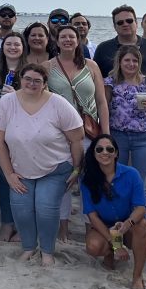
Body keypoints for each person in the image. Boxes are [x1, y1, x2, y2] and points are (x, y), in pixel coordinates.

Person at [0, 63, 84, 266]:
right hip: (20, 169)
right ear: (20, 79)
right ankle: (29, 247)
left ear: (44, 84)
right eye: (27, 79)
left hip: (55, 168)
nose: (31, 83)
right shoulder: (7, 102)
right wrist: (9, 175)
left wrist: (77, 169)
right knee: (21, 210)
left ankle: (47, 251)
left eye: (37, 80)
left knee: (45, 208)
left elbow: (77, 138)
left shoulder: (58, 103)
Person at [45, 24, 109, 239]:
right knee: (64, 181)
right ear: (56, 41)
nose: (68, 40)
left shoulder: (91, 66)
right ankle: (63, 228)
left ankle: (90, 227)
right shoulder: (48, 67)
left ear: (79, 40)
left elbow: (101, 101)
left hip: (89, 132)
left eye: (72, 36)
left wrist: (105, 134)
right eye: (63, 37)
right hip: (59, 134)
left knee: (89, 182)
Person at [80, 134, 146, 289]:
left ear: (116, 153)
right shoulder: (87, 179)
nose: (104, 152)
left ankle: (137, 275)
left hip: (127, 224)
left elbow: (141, 207)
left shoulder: (131, 174)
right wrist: (116, 244)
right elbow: (92, 216)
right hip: (104, 226)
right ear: (93, 153)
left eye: (109, 149)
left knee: (145, 227)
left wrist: (127, 224)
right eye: (99, 149)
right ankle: (110, 254)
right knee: (93, 246)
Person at [104, 45, 146, 222]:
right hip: (118, 135)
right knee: (117, 179)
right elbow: (104, 108)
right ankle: (118, 219)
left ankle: (139, 223)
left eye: (135, 60)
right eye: (127, 60)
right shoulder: (110, 82)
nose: (131, 64)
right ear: (120, 62)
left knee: (141, 182)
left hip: (144, 137)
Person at [0, 32, 28, 242]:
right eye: (8, 44)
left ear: (22, 47)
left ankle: (22, 224)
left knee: (24, 178)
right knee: (3, 178)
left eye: (16, 44)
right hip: (0, 133)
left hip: (25, 134)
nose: (12, 47)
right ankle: (7, 222)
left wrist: (17, 97)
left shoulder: (30, 72)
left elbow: (41, 101)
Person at [92, 5, 146, 77]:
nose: (125, 24)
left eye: (129, 21)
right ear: (114, 27)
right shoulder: (103, 48)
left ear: (136, 23)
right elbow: (95, 77)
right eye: (120, 22)